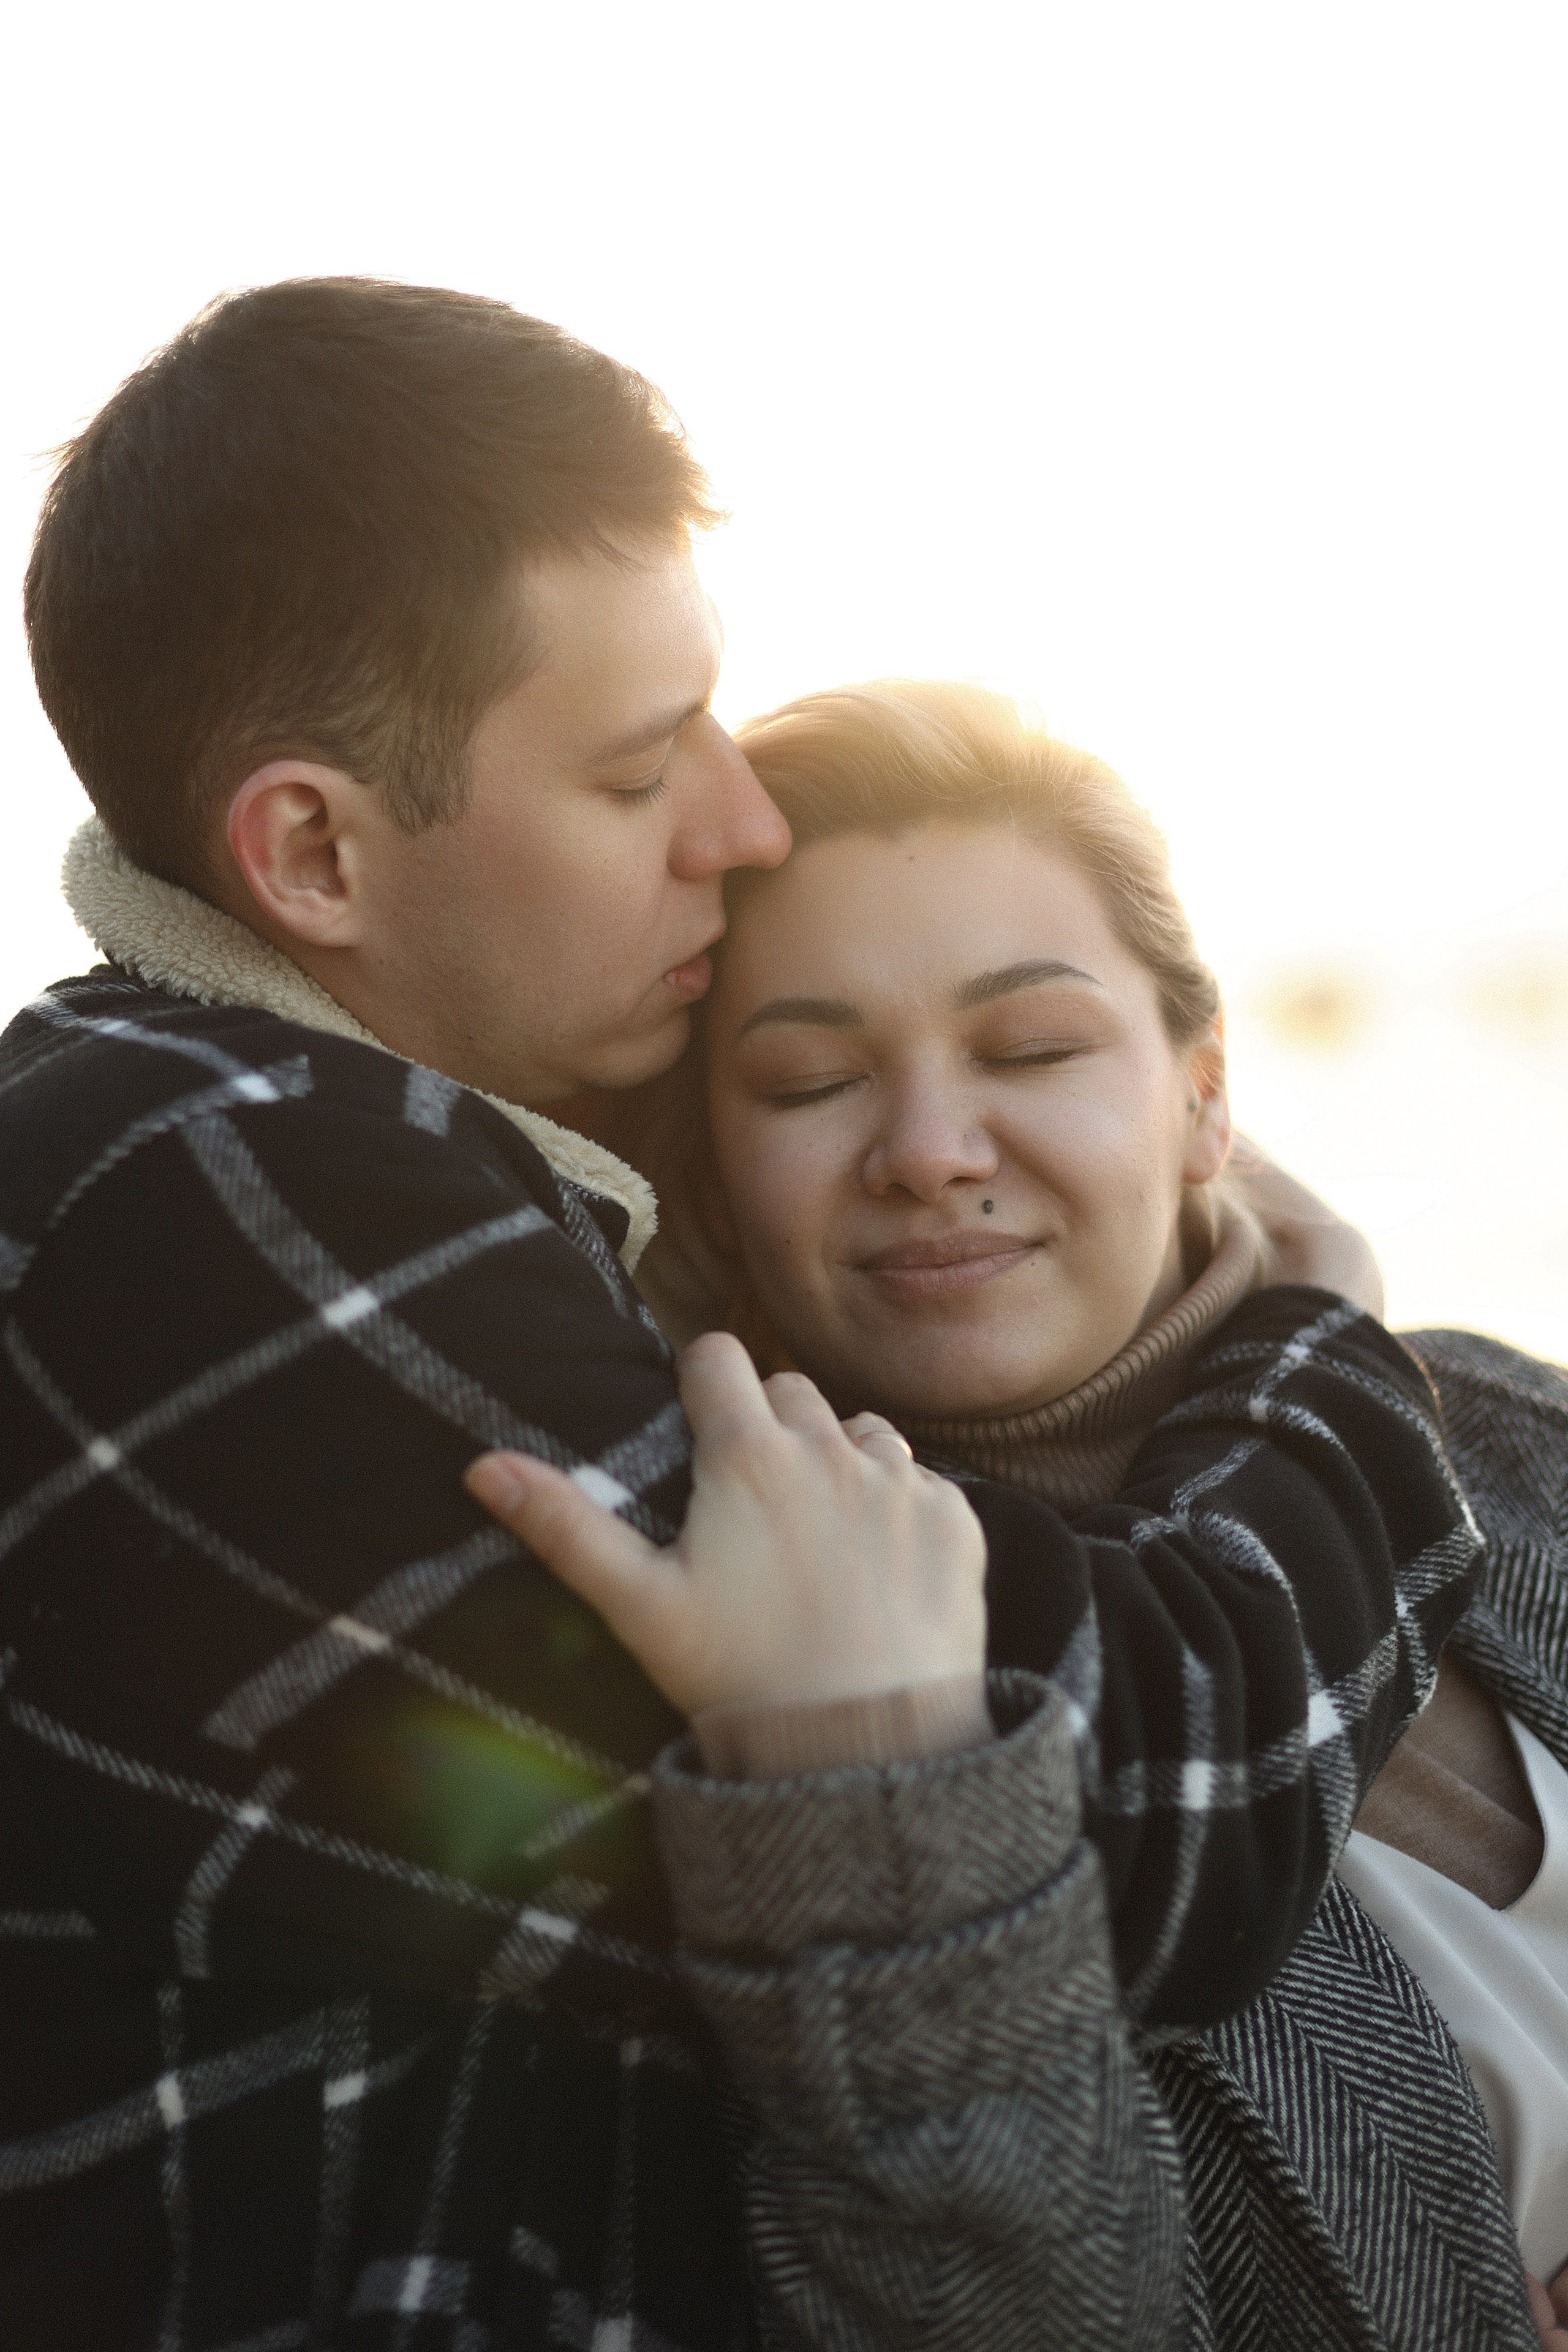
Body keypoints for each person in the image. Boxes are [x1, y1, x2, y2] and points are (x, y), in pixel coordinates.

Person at [4, 282, 1474, 2351]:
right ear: (313, 852)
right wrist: (1327, 1337)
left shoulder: (326, 1145)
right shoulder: (218, 1194)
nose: (743, 817)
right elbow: (1134, 1825)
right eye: (634, 773)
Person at [487, 676, 1562, 2351]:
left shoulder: (1502, 1424)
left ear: (1204, 1088)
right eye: (807, 1079)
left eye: (1032, 1046)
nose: (927, 1148)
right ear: (709, 1167)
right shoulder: (784, 1661)